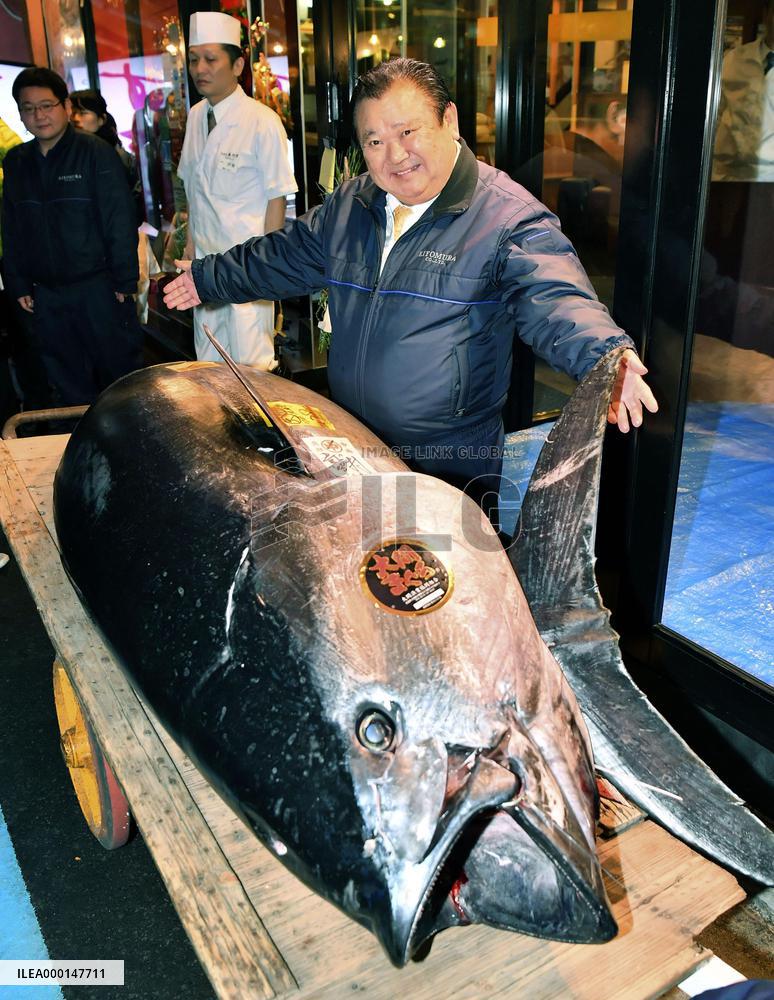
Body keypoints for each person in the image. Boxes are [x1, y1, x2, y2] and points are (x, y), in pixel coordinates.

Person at [165, 58, 657, 508]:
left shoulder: (506, 217)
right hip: (352, 439)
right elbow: (281, 255)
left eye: (407, 131)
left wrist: (604, 358)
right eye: (374, 141)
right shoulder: (352, 205)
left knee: (446, 580)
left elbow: (555, 298)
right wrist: (208, 278)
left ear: (450, 122)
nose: (394, 155)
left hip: (447, 458)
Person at [1, 67, 141, 407]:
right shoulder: (18, 161)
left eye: (47, 105)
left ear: (66, 107)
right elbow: (11, 227)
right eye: (29, 108)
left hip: (100, 289)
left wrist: (125, 281)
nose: (39, 115)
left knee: (119, 381)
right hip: (46, 295)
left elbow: (119, 219)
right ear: (20, 113)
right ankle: (82, 454)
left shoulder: (95, 153)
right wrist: (17, 283)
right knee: (67, 385)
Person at [178, 11, 297, 370]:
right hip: (203, 267)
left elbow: (278, 197)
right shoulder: (197, 116)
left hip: (246, 265)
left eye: (211, 59)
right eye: (195, 59)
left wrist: (268, 266)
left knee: (252, 366)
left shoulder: (262, 121)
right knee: (209, 364)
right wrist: (188, 249)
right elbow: (192, 190)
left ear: (238, 63)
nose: (201, 68)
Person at [713, 0, 774, 182]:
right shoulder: (733, 59)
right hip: (726, 176)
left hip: (769, 181)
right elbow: (715, 113)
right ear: (766, 14)